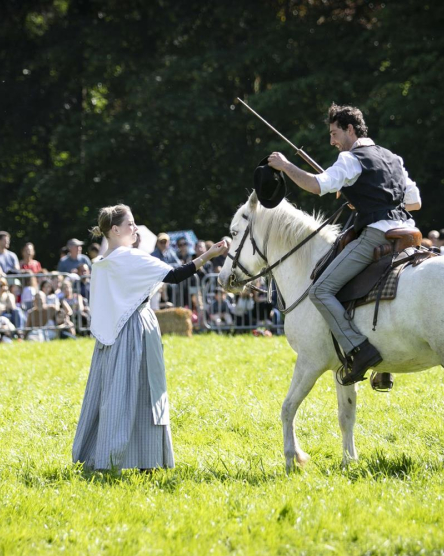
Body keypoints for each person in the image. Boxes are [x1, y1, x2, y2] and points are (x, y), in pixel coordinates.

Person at [267, 103, 421, 385]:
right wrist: (363, 198)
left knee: (321, 290)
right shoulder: (393, 158)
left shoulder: (351, 160)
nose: (332, 141)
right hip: (408, 233)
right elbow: (415, 202)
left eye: (335, 133)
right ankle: (384, 363)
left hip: (377, 234)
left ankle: (359, 351)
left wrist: (285, 165)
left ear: (350, 129)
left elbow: (316, 185)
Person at [72, 204, 229, 471]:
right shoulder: (130, 258)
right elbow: (175, 275)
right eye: (130, 224)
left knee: (114, 394)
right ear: (115, 229)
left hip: (110, 339)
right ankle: (147, 459)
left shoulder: (99, 263)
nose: (134, 228)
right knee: (146, 392)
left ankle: (107, 455)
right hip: (136, 330)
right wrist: (209, 255)